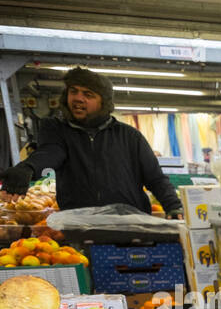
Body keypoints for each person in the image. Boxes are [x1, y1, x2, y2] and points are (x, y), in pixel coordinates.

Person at [1, 67, 182, 217]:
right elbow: (51, 152)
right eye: (73, 91)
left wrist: (173, 206)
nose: (78, 98)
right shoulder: (57, 130)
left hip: (130, 224)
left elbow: (155, 177)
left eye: (88, 94)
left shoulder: (129, 136)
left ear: (104, 102)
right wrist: (28, 168)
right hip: (79, 225)